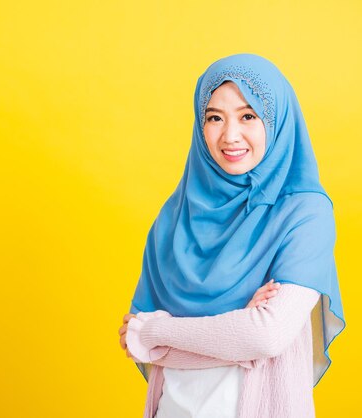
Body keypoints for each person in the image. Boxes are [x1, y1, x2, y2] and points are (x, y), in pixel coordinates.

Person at [117, 53, 346, 418]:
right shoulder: (173, 218)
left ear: (275, 121)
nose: (230, 135)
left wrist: (158, 330)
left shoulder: (305, 213)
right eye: (214, 118)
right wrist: (236, 327)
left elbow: (266, 336)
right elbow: (137, 343)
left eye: (248, 116)